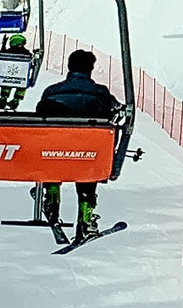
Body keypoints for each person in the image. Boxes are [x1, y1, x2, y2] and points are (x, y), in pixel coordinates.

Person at [34, 49, 119, 244]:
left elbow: (40, 116)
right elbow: (113, 111)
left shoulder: (52, 92)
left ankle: (52, 197)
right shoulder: (100, 93)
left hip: (54, 154)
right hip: (87, 154)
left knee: (55, 161)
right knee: (88, 166)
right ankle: (85, 219)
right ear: (90, 69)